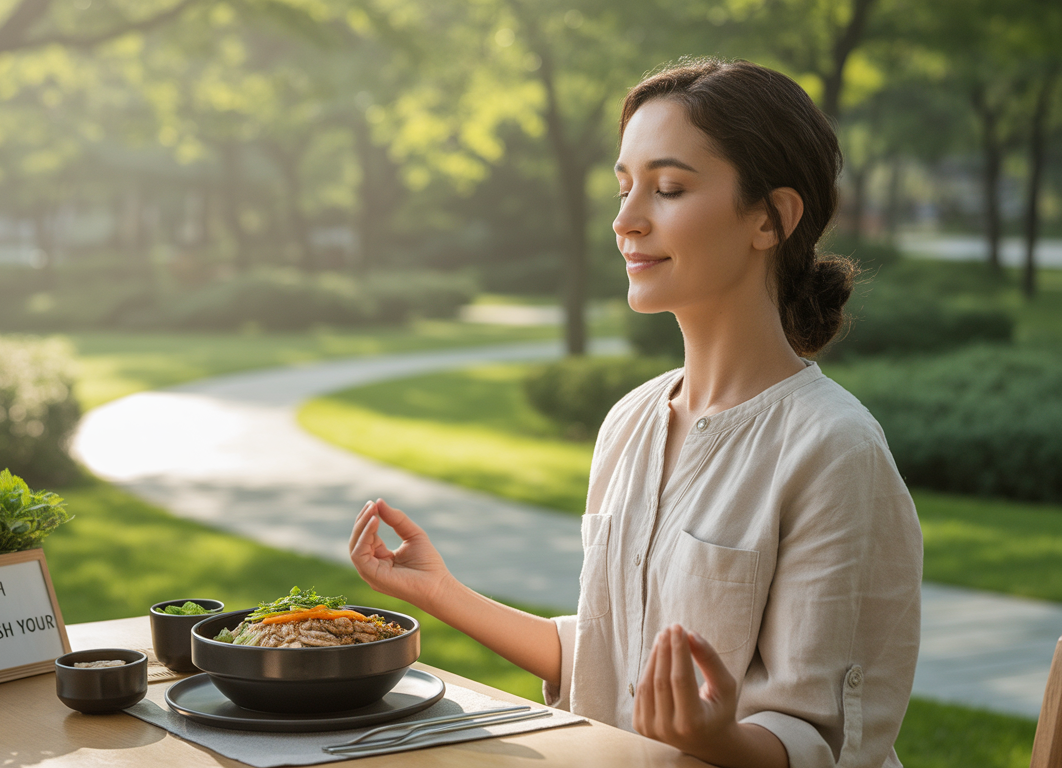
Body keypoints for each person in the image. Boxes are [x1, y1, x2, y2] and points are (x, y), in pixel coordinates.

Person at [348, 57, 922, 768]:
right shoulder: (630, 421)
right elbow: (606, 651)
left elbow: (823, 738)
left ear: (772, 218)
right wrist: (440, 591)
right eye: (624, 189)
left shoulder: (834, 449)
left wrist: (718, 740)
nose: (626, 221)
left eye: (669, 188)